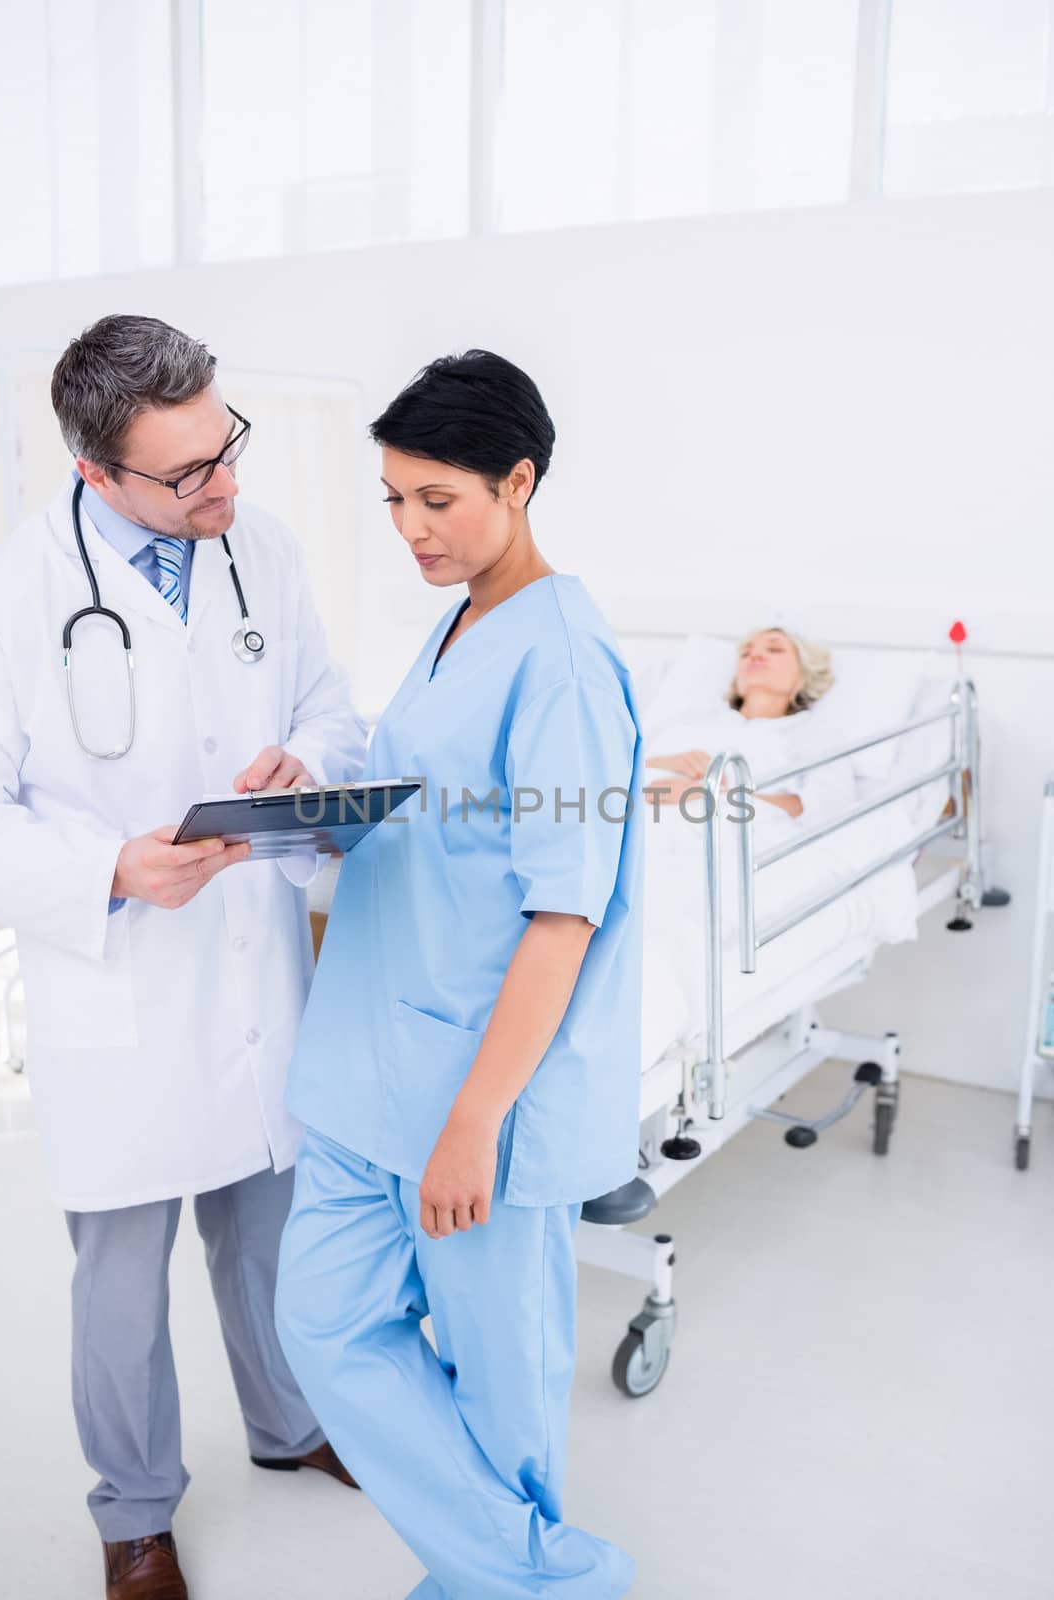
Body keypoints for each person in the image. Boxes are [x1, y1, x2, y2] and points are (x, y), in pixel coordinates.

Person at [0, 316, 367, 1600]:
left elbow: (327, 701)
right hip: (123, 985)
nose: (227, 485)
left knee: (268, 1234)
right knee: (122, 1274)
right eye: (189, 471)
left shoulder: (258, 543)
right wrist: (107, 869)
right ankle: (135, 1510)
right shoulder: (15, 589)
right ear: (99, 473)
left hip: (255, 962)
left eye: (228, 447)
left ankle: (288, 1424)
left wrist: (304, 763)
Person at [274, 350, 643, 1598]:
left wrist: (474, 1120)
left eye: (437, 498)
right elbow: (431, 819)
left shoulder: (567, 665)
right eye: (393, 499)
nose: (409, 529)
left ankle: (500, 1573)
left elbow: (560, 914)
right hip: (366, 1060)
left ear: (518, 481)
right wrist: (312, 811)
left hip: (473, 1086)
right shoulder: (457, 626)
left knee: (500, 1372)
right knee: (323, 1324)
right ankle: (526, 1571)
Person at [643, 625, 850, 824]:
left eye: (774, 649)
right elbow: (623, 774)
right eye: (745, 653)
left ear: (805, 672)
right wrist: (667, 762)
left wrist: (713, 795)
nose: (755, 656)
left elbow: (823, 809)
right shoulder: (689, 723)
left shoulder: (813, 736)